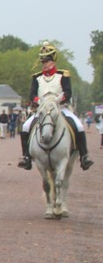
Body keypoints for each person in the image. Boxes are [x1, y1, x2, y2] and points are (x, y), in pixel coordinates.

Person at [17, 42, 93, 170]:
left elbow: (68, 92)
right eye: (43, 61)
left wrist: (59, 99)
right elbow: (32, 94)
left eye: (46, 61)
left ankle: (84, 156)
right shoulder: (37, 77)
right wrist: (38, 101)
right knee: (25, 127)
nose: (44, 64)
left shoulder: (62, 75)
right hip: (42, 109)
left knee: (79, 126)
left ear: (53, 61)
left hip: (61, 108)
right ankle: (26, 157)